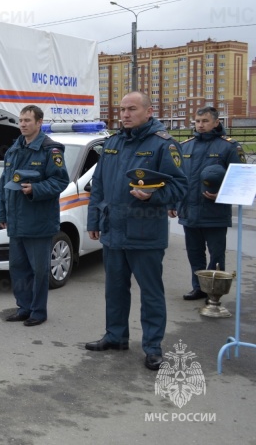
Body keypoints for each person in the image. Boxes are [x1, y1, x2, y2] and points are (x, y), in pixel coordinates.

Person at [86, 91, 188, 371]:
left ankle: (153, 347)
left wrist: (153, 196)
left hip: (145, 234)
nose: (125, 114)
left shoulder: (162, 145)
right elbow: (99, 186)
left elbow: (180, 186)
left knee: (151, 293)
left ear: (148, 111)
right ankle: (116, 336)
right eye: (122, 110)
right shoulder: (113, 143)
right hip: (113, 231)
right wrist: (93, 221)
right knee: (115, 290)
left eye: (132, 109)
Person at [0, 105, 70, 327]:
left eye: (27, 120)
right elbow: (3, 184)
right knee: (18, 268)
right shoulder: (13, 149)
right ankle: (23, 307)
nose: (23, 124)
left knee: (39, 270)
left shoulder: (51, 150)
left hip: (38, 222)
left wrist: (35, 190)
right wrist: (1, 212)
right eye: (20, 120)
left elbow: (60, 181)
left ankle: (38, 311)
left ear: (39, 122)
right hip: (16, 222)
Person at [169, 107, 244, 301]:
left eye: (205, 121)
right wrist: (172, 203)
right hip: (189, 211)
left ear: (216, 122)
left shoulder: (229, 147)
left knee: (216, 255)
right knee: (195, 254)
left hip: (215, 212)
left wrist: (221, 194)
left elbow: (240, 179)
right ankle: (199, 287)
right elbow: (177, 178)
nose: (200, 125)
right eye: (197, 121)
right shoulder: (185, 146)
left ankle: (214, 290)